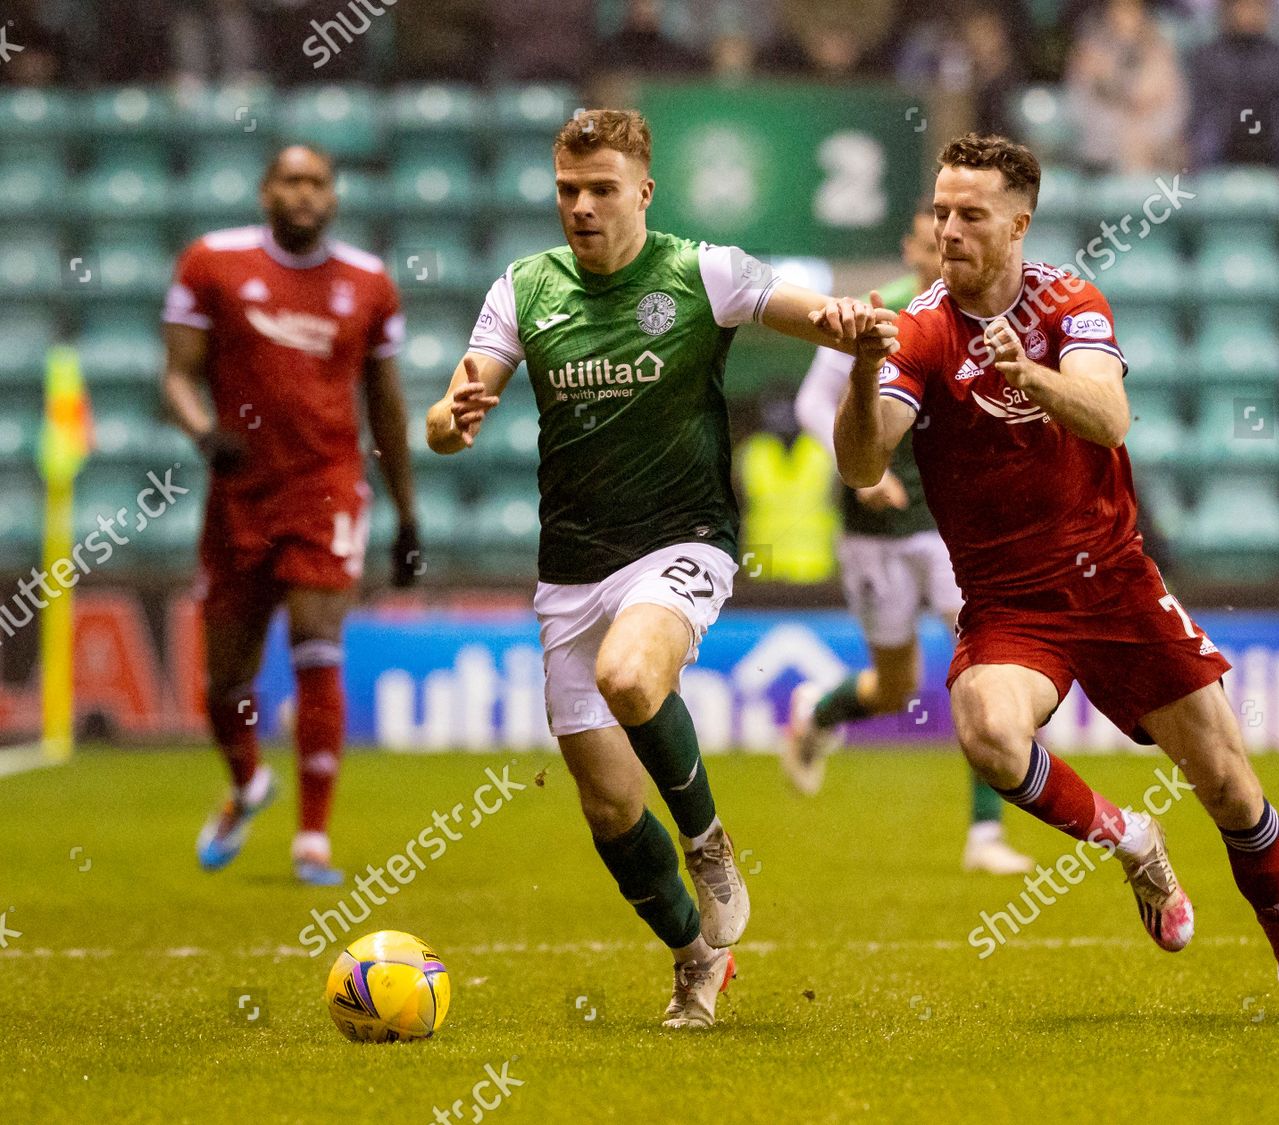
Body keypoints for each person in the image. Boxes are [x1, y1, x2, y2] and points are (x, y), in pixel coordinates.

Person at [829, 131, 1279, 1019]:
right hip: (1011, 603)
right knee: (987, 730)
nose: (948, 229)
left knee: (1231, 785)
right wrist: (859, 366)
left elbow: (1110, 417)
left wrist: (1025, 373)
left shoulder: (1069, 300)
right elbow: (859, 461)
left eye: (970, 215)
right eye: (940, 211)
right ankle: (1133, 840)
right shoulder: (920, 329)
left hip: (1115, 581)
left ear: (1018, 224)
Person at [425, 109, 894, 1029]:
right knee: (606, 808)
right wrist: (454, 414)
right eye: (568, 191)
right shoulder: (523, 289)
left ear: (644, 190)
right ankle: (694, 960)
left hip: (682, 540)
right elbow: (444, 419)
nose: (583, 208)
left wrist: (847, 322)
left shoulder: (700, 271)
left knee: (632, 675)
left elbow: (808, 315)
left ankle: (710, 841)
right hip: (570, 566)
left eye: (602, 190)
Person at [162, 145, 422, 887]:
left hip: (327, 487)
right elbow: (177, 374)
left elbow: (388, 405)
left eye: (317, 182)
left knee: (316, 640)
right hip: (240, 495)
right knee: (224, 685)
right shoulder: (212, 264)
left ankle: (313, 834)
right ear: (266, 190)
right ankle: (246, 784)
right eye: (290, 180)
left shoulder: (368, 283)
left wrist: (407, 516)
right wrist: (203, 431)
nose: (304, 194)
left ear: (334, 197)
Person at [786, 202, 1033, 877]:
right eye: (931, 246)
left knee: (987, 658)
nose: (942, 256)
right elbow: (814, 404)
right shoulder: (877, 314)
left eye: (952, 243)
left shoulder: (980, 315)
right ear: (911, 250)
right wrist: (860, 475)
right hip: (876, 528)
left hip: (948, 524)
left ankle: (985, 833)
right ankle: (819, 714)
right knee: (897, 686)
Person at [1186, 0, 1279, 172]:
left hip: (1270, 130)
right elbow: (1202, 110)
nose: (1249, 13)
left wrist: (1262, 124)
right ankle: (1197, 196)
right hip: (1225, 129)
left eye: (1256, 6)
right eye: (1242, 6)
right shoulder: (1207, 57)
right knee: (1204, 143)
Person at [1065, 0, 1185, 173]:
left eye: (1131, 11)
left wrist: (1146, 135)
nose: (1124, 19)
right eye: (1119, 10)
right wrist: (1119, 134)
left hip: (1155, 152)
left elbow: (1175, 109)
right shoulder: (1089, 55)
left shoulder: (1161, 52)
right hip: (1100, 154)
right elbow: (1078, 107)